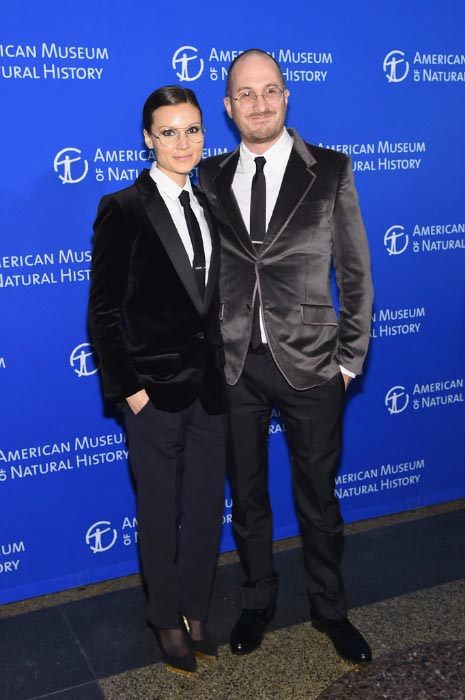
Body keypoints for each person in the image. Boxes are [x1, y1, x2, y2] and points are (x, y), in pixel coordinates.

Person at [198, 49, 374, 664]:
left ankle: (330, 609)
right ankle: (257, 601)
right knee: (246, 497)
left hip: (312, 364)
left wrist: (349, 358)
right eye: (245, 94)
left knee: (318, 498)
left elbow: (355, 272)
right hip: (235, 365)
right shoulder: (210, 177)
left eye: (270, 90)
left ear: (287, 96)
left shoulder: (329, 170)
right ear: (228, 106)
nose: (260, 103)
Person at [88, 86, 226, 676]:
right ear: (148, 138)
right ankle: (165, 616)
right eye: (168, 132)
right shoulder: (123, 208)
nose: (182, 143)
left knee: (202, 509)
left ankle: (197, 607)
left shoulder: (215, 202)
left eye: (192, 129)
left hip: (214, 390)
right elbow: (102, 313)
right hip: (153, 394)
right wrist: (132, 392)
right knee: (160, 508)